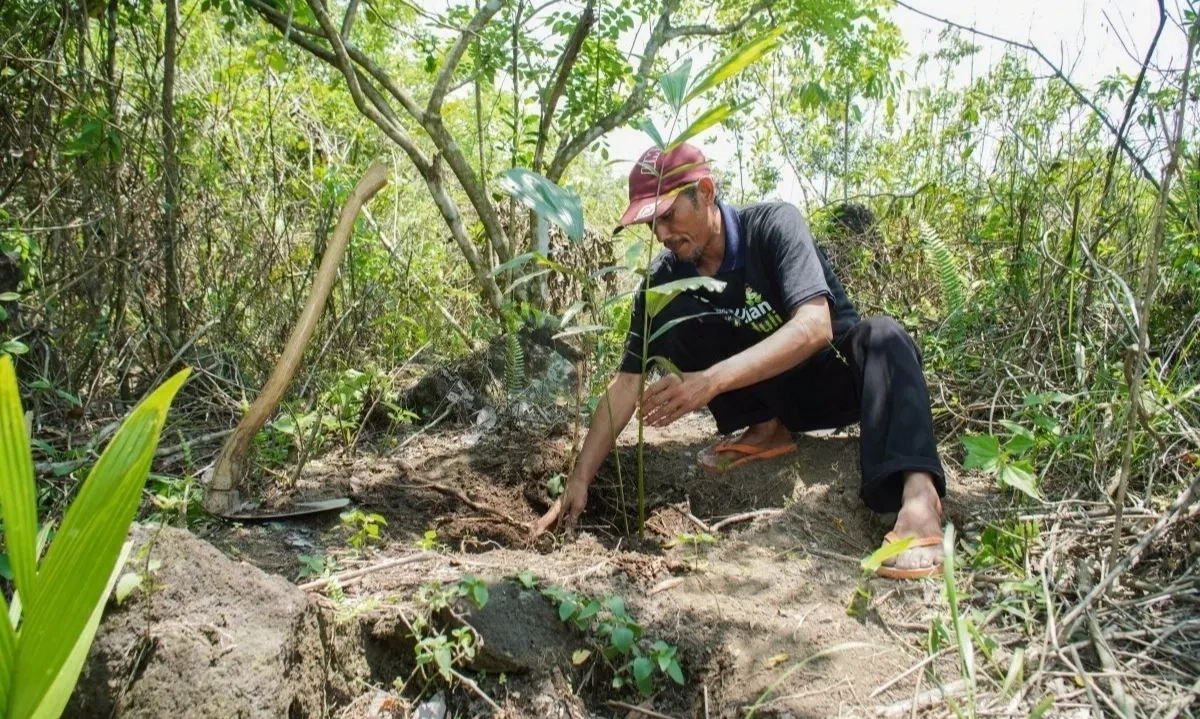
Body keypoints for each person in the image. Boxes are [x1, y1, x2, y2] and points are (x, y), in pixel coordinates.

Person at [532, 143, 947, 579]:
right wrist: (579, 479)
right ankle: (765, 430)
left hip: (834, 381)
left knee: (884, 334)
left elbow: (814, 326)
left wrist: (709, 381)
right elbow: (626, 386)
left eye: (669, 214)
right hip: (767, 395)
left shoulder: (772, 226)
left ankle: (919, 498)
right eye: (652, 222)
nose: (662, 233)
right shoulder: (664, 280)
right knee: (678, 314)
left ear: (706, 191)